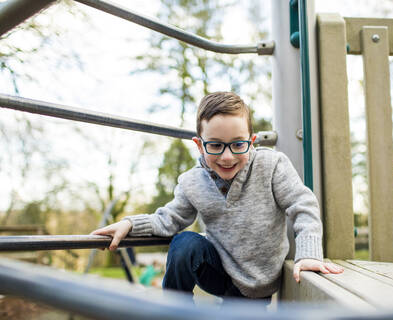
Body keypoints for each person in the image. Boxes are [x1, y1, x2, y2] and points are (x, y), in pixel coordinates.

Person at [91, 92, 343, 301]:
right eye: (215, 145)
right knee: (185, 243)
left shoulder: (272, 165)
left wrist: (309, 253)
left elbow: (302, 204)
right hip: (217, 270)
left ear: (251, 141)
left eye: (237, 144)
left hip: (258, 283)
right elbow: (168, 219)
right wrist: (130, 223)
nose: (227, 156)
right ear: (199, 145)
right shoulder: (192, 182)